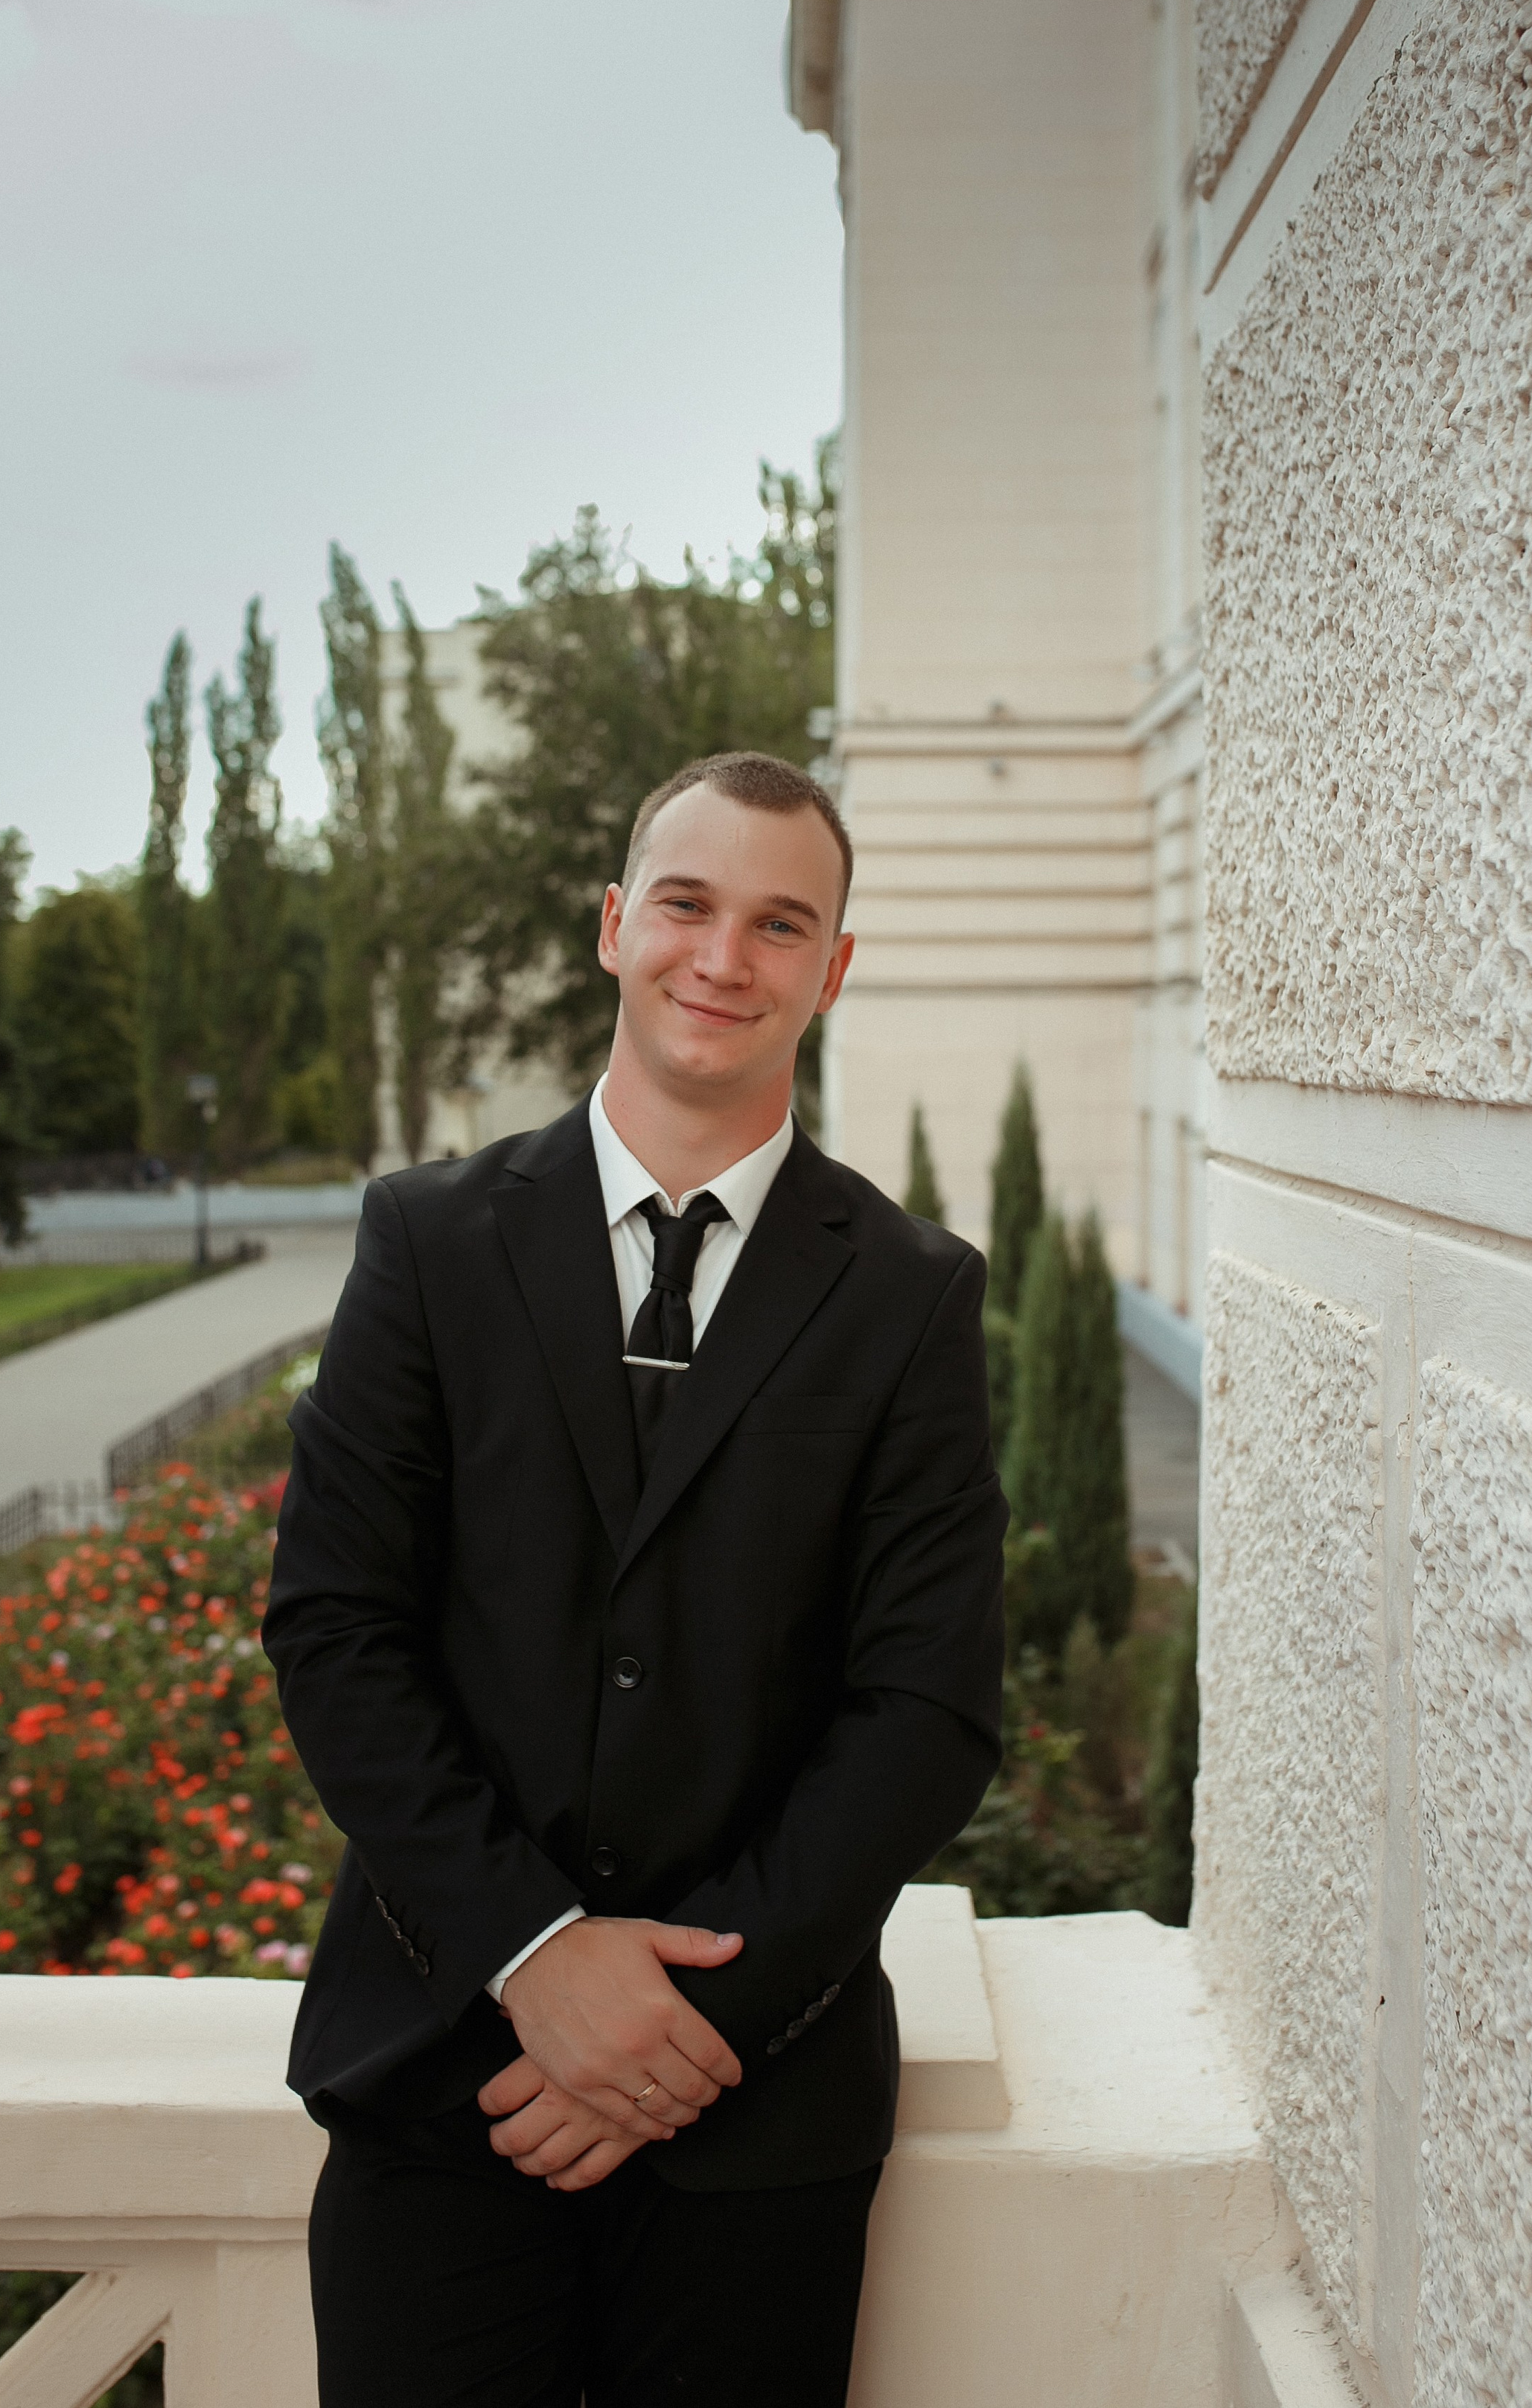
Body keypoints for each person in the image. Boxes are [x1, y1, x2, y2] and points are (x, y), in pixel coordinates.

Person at [264, 749, 1007, 2407]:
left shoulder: (912, 1297)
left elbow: (926, 1709)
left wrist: (683, 2029)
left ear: (832, 968)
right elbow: (336, 1629)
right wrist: (535, 1954)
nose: (722, 958)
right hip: (444, 2079)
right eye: (685, 905)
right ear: (614, 925)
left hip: (757, 2108)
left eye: (778, 923)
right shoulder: (426, 1243)